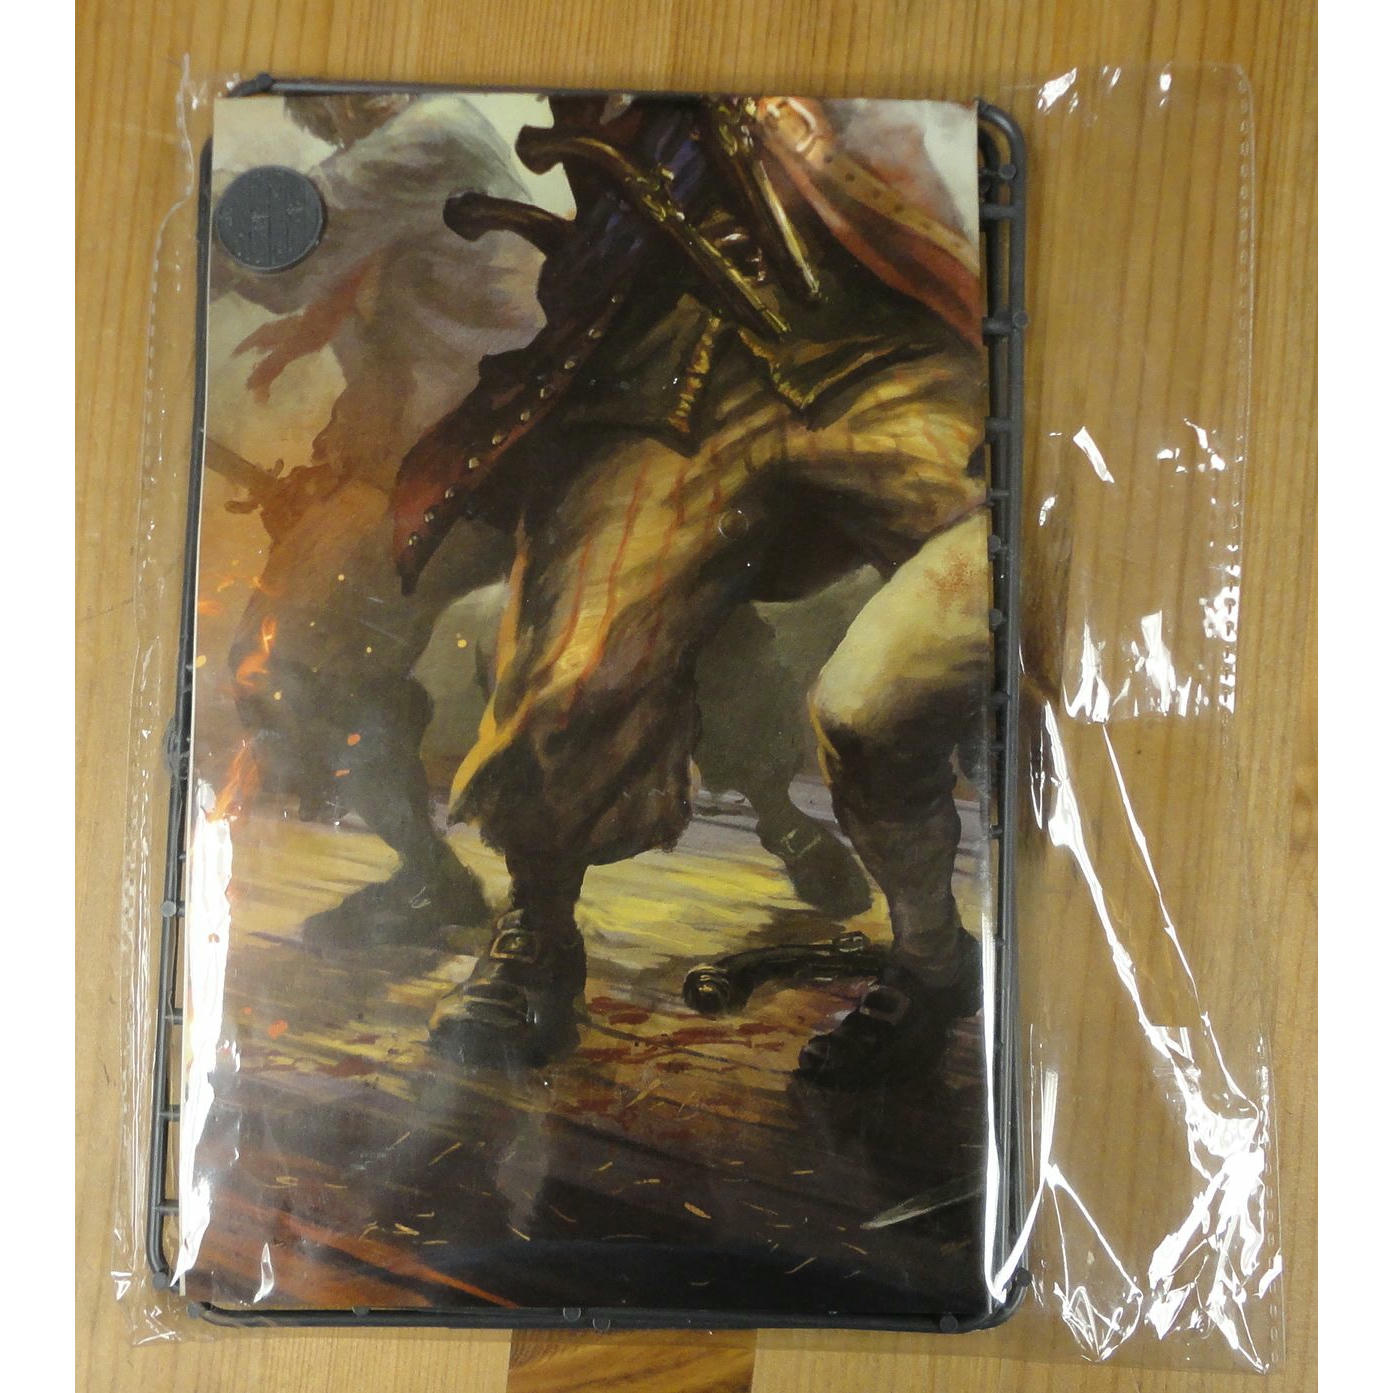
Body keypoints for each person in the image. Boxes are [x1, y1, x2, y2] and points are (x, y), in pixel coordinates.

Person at [393, 95, 992, 1085]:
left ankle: (930, 956)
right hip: (669, 368)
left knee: (921, 662)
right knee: (566, 674)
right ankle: (536, 930)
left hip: (877, 339)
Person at [213, 92, 868, 953]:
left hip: (518, 444)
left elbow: (282, 258)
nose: (343, 110)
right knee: (294, 656)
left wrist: (191, 200)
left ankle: (777, 817)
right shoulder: (387, 159)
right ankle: (430, 873)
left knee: (683, 630)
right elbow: (338, 273)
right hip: (432, 462)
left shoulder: (429, 134)